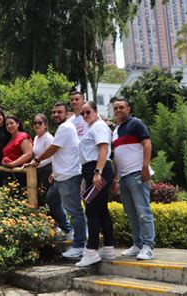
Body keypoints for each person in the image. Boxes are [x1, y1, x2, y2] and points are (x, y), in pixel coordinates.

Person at [28, 102, 86, 258]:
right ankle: (68, 230)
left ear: (66, 114)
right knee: (51, 198)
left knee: (75, 211)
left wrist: (37, 160)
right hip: (60, 175)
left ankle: (80, 244)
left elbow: (53, 149)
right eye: (53, 112)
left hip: (69, 175)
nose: (55, 115)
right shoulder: (63, 129)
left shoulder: (65, 128)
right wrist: (54, 171)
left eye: (59, 112)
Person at [112, 97, 156, 260]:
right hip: (123, 177)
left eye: (121, 107)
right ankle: (137, 245)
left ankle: (148, 246)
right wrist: (116, 178)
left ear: (129, 109)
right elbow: (117, 155)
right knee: (131, 214)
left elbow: (147, 144)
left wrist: (145, 167)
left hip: (137, 173)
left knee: (143, 212)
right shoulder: (115, 130)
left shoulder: (136, 124)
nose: (118, 110)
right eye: (115, 108)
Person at [76, 101, 116, 267]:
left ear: (95, 111)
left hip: (97, 170)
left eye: (88, 112)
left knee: (91, 209)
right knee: (101, 210)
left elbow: (103, 149)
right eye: (83, 113)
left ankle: (91, 250)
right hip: (95, 170)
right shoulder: (93, 127)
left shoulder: (98, 126)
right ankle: (108, 248)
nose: (85, 115)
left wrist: (97, 173)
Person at [1, 115, 33, 187]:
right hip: (10, 175)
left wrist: (13, 164)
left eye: (11, 123)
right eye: (7, 125)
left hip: (20, 173)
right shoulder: (9, 139)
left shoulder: (23, 136)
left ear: (18, 124)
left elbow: (28, 154)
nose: (9, 126)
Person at [31, 114, 54, 198]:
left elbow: (51, 156)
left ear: (45, 125)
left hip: (47, 170)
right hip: (37, 170)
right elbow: (35, 155)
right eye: (35, 123)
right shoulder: (36, 138)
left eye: (40, 123)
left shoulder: (48, 137)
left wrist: (36, 164)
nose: (37, 125)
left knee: (46, 196)